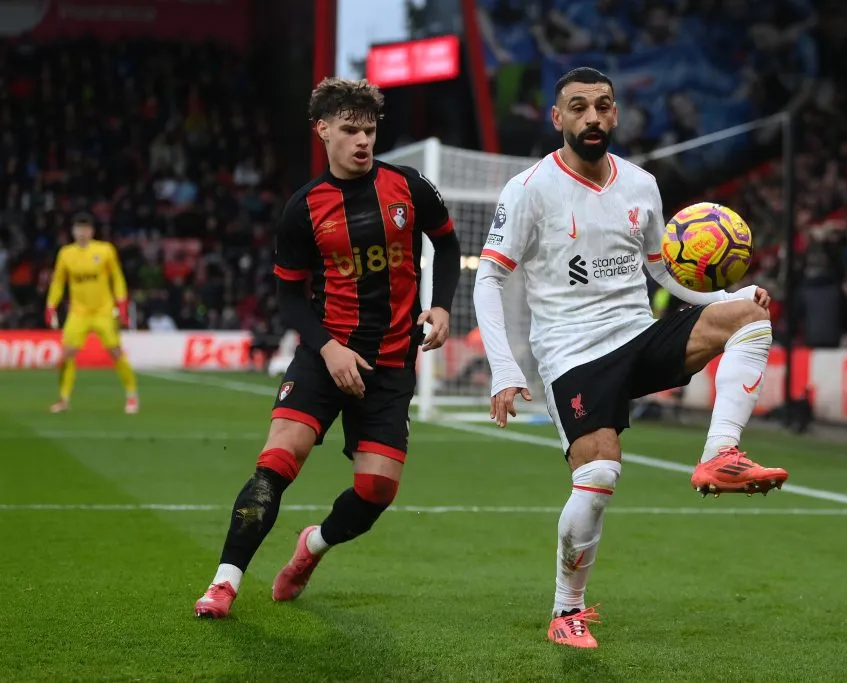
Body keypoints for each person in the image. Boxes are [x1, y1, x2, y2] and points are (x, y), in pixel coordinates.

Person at [473, 67, 789, 649]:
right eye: (578, 107)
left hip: (638, 336)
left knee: (751, 317)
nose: (592, 117)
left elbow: (662, 270)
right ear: (558, 118)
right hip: (572, 355)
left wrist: (728, 298)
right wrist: (505, 367)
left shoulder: (641, 184)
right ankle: (566, 610)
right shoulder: (529, 189)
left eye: (603, 106)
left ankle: (720, 456)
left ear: (615, 115)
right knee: (598, 475)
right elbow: (488, 279)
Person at [194, 77, 462, 619]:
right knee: (275, 462)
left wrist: (441, 304)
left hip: (389, 366)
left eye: (369, 130)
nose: (363, 141)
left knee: (376, 493)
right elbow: (289, 300)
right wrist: (329, 348)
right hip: (323, 357)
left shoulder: (410, 186)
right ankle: (224, 583)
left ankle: (311, 547)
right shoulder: (303, 208)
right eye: (350, 130)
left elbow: (449, 242)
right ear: (323, 131)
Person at [45, 212, 138, 414]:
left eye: (85, 229)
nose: (82, 233)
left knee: (115, 352)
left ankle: (131, 395)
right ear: (72, 231)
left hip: (103, 310)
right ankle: (64, 399)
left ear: (92, 231)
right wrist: (51, 305)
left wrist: (121, 303)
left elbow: (117, 277)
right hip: (78, 312)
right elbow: (58, 282)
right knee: (67, 354)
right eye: (78, 229)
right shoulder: (66, 254)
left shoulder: (105, 250)